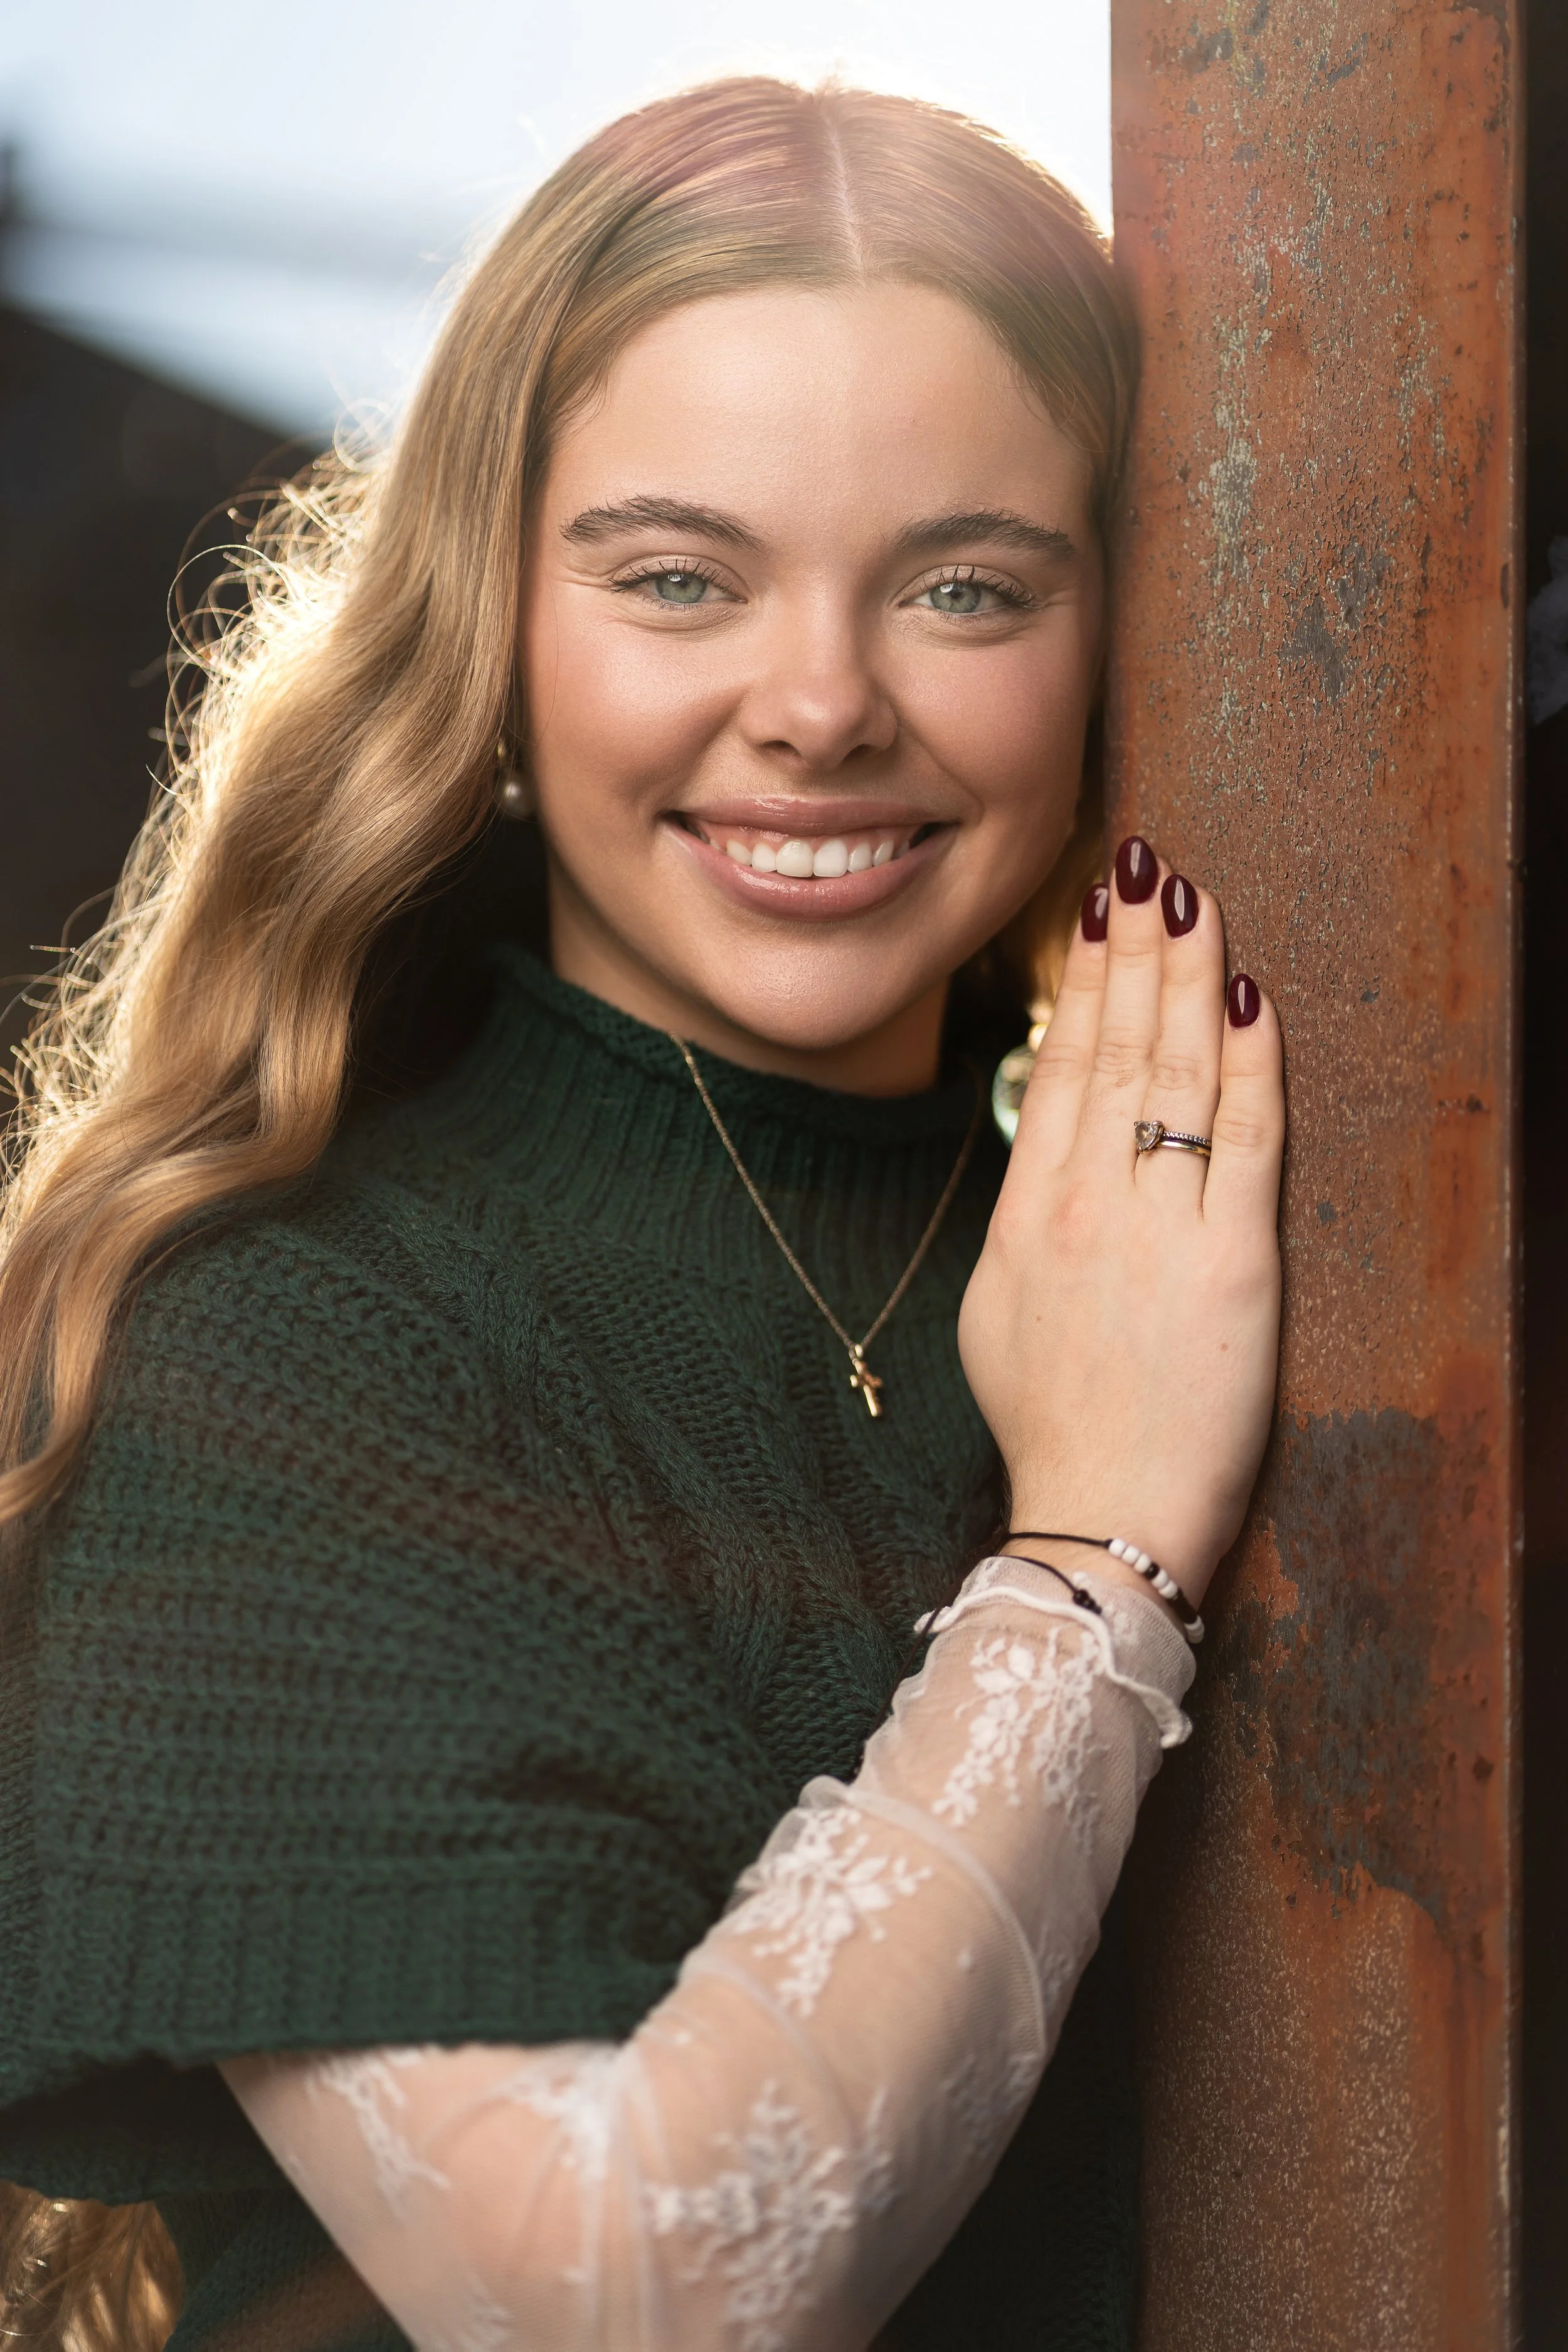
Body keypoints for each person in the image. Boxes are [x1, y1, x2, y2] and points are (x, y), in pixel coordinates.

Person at [0, 77, 1283, 2352]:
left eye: (964, 584)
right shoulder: (285, 1335)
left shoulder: (1157, 1250)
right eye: (677, 574)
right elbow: (621, 2297)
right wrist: (1090, 1562)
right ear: (492, 620)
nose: (816, 704)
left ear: (1117, 634)